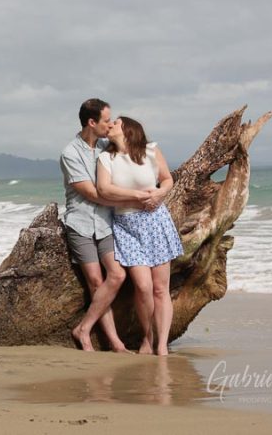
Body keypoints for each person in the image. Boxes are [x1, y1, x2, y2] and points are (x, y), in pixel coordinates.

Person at [96, 116, 183, 356]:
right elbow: (104, 189)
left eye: (115, 122)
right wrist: (137, 196)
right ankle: (148, 336)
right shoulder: (106, 158)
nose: (110, 124)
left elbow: (167, 179)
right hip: (126, 225)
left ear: (128, 129)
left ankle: (161, 345)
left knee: (160, 288)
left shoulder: (151, 150)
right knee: (143, 286)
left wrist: (159, 195)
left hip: (156, 222)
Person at [60, 98, 142, 352]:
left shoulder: (107, 147)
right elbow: (93, 194)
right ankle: (112, 342)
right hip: (81, 224)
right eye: (106, 120)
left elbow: (133, 158)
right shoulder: (70, 153)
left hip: (106, 223)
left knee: (117, 275)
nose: (110, 124)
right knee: (96, 280)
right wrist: (137, 197)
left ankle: (83, 327)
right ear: (91, 122)